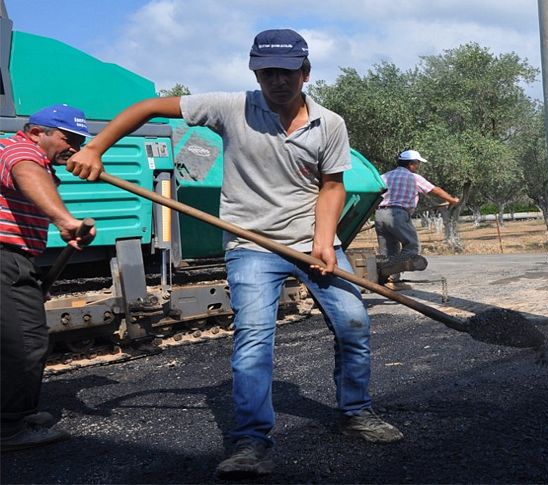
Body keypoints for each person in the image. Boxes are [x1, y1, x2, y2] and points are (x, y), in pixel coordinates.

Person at [66, 28, 403, 480]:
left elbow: (332, 185)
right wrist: (94, 147)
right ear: (255, 73)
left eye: (286, 72)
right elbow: (147, 107)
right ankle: (252, 442)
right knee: (253, 342)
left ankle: (356, 412)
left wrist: (324, 240)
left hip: (312, 240)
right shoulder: (232, 107)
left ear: (304, 73)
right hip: (251, 245)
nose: (277, 81)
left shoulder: (331, 123)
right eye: (266, 73)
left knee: (354, 324)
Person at [1, 104, 96, 451]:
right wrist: (65, 220)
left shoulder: (19, 152)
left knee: (12, 339)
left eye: (79, 141)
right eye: (68, 138)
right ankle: (8, 428)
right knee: (24, 343)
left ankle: (15, 414)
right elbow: (26, 170)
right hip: (4, 257)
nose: (73, 147)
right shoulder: (21, 150)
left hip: (15, 256)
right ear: (38, 132)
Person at [374, 149, 460, 290]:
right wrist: (452, 199)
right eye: (417, 163)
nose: (418, 166)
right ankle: (389, 271)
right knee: (412, 246)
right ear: (411, 164)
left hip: (379, 214)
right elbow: (434, 190)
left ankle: (391, 280)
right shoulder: (414, 178)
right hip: (398, 214)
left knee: (388, 250)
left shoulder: (384, 176)